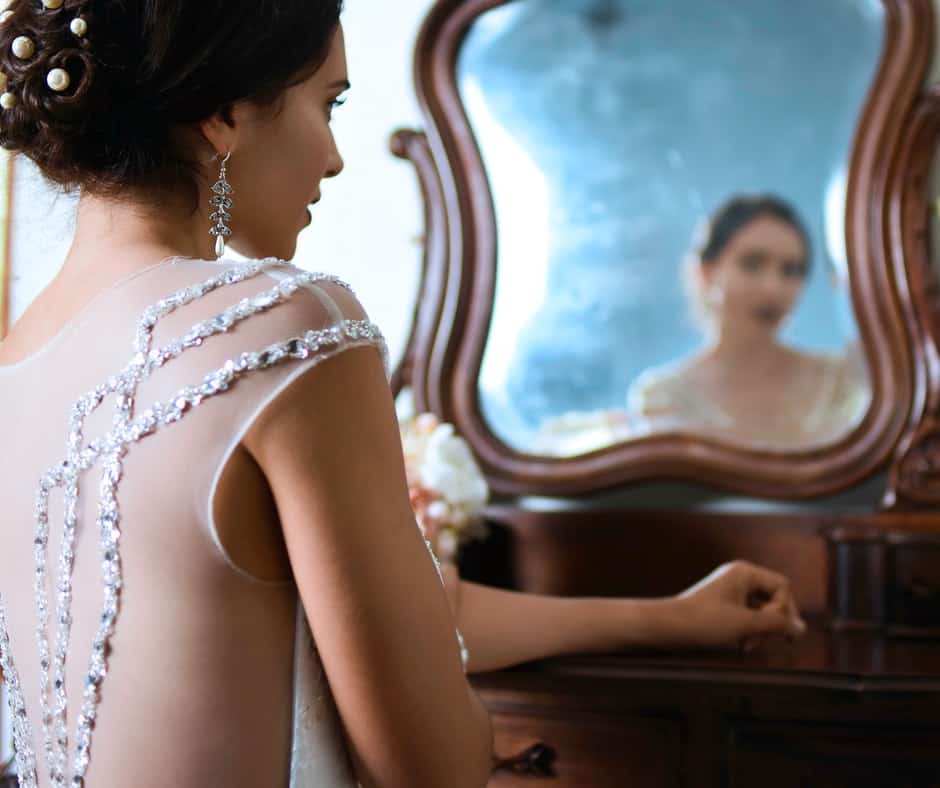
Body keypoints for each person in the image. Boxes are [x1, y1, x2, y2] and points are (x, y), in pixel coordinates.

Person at [0, 5, 804, 787]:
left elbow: (354, 621)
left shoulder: (19, 352)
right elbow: (438, 767)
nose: (336, 158)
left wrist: (670, 618)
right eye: (330, 103)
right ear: (224, 113)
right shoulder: (285, 325)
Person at [629, 194, 869, 448]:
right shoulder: (664, 397)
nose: (773, 288)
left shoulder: (843, 380)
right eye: (752, 264)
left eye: (791, 270)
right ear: (707, 272)